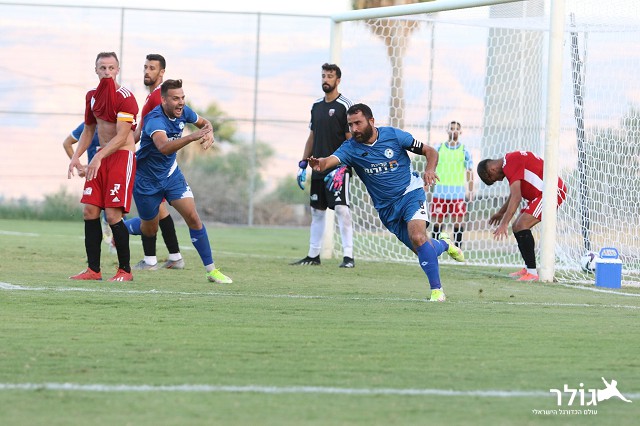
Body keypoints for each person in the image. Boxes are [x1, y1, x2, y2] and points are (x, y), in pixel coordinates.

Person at [308, 103, 465, 302]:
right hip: (386, 209)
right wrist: (320, 163)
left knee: (418, 237)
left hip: (411, 193)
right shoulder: (350, 148)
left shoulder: (394, 136)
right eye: (350, 125)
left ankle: (437, 291)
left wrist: (430, 169)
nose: (354, 129)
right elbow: (330, 160)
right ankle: (445, 244)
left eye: (358, 123)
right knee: (423, 248)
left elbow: (430, 151)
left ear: (371, 121)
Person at [131, 78, 232, 284]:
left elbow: (205, 123)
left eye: (183, 97)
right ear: (164, 100)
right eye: (176, 98)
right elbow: (164, 147)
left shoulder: (184, 111)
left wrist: (209, 132)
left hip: (171, 176)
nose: (181, 102)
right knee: (149, 228)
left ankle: (212, 271)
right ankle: (117, 227)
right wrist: (192, 137)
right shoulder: (155, 120)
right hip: (146, 180)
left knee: (193, 217)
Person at [67, 51, 139, 282]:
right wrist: (76, 156)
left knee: (112, 215)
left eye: (111, 68)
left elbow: (122, 136)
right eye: (102, 68)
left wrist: (98, 157)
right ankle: (93, 270)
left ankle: (125, 271)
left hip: (121, 157)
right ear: (96, 70)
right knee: (89, 211)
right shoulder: (91, 97)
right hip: (101, 156)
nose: (107, 72)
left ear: (117, 70)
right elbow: (89, 130)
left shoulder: (125, 97)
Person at [124, 53, 184, 271]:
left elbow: (143, 134)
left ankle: (149, 258)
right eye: (145, 67)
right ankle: (174, 257)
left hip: (152, 165)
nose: (147, 71)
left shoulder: (158, 98)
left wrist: (119, 149)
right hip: (157, 163)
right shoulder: (153, 98)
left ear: (162, 72)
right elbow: (139, 133)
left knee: (151, 211)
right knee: (160, 210)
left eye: (152, 68)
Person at [292, 63, 355, 268]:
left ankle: (348, 257)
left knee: (342, 210)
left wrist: (344, 166)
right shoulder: (316, 106)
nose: (326, 80)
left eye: (330, 76)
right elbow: (312, 136)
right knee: (317, 212)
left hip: (338, 169)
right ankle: (313, 255)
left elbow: (351, 140)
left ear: (338, 80)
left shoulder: (345, 106)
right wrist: (303, 163)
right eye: (323, 76)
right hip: (317, 168)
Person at [477, 151, 567, 282]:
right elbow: (515, 193)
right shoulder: (509, 161)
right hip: (541, 195)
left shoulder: (510, 162)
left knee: (521, 225)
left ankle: (532, 273)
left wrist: (504, 223)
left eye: (494, 178)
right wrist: (501, 213)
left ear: (492, 169)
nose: (500, 180)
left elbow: (517, 197)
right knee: (516, 227)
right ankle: (528, 268)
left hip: (552, 191)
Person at [62, 122, 116, 254]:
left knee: (115, 212)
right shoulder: (88, 125)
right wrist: (79, 167)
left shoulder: (118, 123)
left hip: (115, 172)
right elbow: (67, 143)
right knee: (90, 211)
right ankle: (92, 258)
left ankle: (114, 241)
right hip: (94, 175)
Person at [430, 121, 474, 248]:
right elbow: (431, 166)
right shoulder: (439, 148)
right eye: (452, 128)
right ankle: (434, 247)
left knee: (458, 222)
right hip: (440, 192)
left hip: (457, 193)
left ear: (460, 132)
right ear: (447, 130)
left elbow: (469, 171)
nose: (454, 131)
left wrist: (471, 191)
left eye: (456, 129)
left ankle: (458, 248)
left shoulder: (464, 150)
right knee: (438, 221)